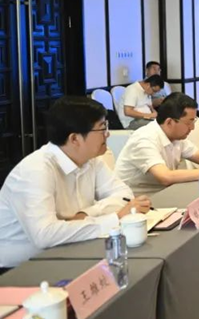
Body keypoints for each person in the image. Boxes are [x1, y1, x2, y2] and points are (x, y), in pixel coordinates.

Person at [0, 97, 151, 269]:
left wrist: (85, 214)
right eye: (102, 128)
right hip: (20, 269)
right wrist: (114, 218)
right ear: (74, 139)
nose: (107, 134)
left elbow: (124, 197)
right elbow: (44, 235)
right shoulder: (36, 170)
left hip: (69, 251)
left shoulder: (91, 160)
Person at [114, 93, 199, 195]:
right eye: (189, 122)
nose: (192, 128)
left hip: (163, 193)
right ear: (169, 122)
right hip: (137, 202)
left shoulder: (175, 136)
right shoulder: (144, 140)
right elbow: (165, 177)